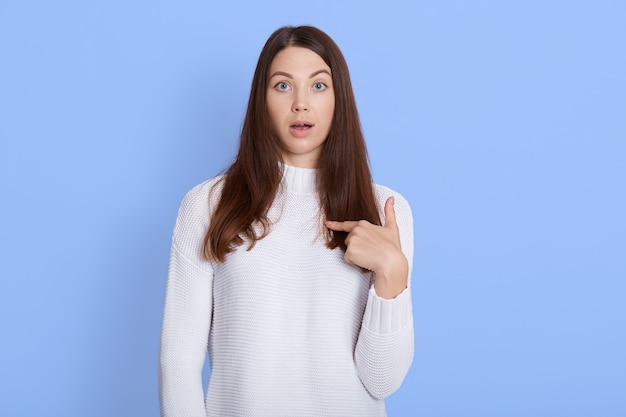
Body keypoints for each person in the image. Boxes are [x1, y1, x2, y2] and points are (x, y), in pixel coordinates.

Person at [159, 25, 414, 417]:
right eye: (282, 86)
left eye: (318, 86)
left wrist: (392, 272)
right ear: (261, 100)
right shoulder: (208, 205)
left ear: (338, 99)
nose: (300, 104)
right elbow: (178, 362)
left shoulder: (384, 209)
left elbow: (382, 381)